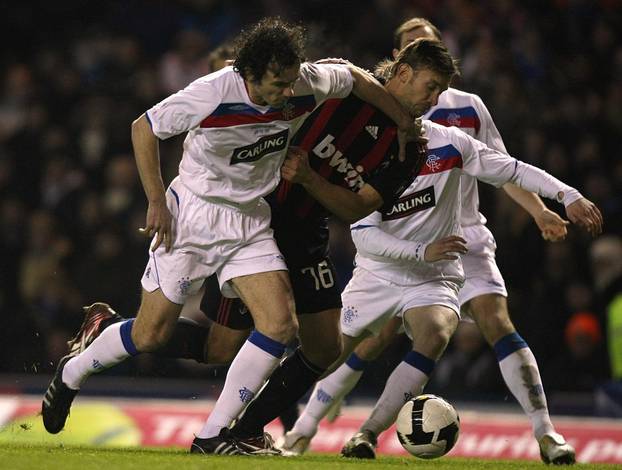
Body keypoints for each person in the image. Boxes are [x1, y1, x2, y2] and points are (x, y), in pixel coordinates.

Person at [41, 17, 421, 456]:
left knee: (279, 325)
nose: (286, 94)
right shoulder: (214, 91)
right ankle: (75, 369)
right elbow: (143, 127)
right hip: (194, 217)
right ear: (250, 73)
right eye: (277, 85)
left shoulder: (304, 83)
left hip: (249, 221)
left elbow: (354, 78)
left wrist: (403, 121)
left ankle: (212, 437)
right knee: (150, 336)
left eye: (290, 83)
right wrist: (155, 202)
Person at [278, 17, 602, 465]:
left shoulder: (460, 122)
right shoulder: (371, 130)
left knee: (461, 327)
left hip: (456, 241)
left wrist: (556, 200)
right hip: (388, 259)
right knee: (342, 348)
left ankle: (542, 433)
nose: (431, 95)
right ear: (399, 67)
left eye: (433, 55)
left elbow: (505, 166)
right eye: (416, 54)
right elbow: (362, 224)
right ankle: (290, 425)